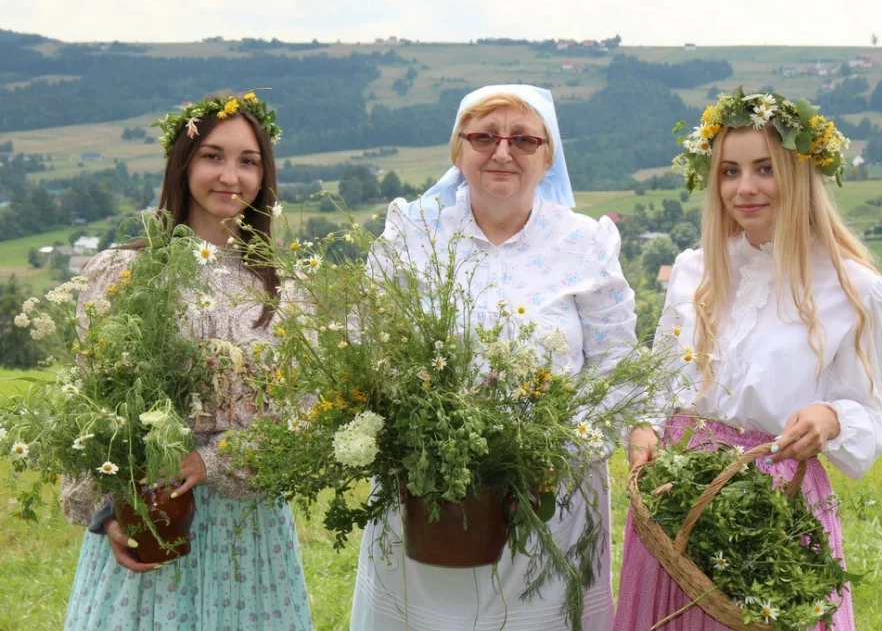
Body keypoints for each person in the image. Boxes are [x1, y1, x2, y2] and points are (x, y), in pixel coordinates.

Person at [349, 84, 637, 630]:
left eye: (524, 140)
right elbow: (367, 344)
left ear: (547, 157)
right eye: (483, 137)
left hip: (551, 503)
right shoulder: (412, 232)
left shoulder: (585, 242)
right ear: (457, 151)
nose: (502, 152)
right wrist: (423, 439)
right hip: (429, 494)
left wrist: (551, 450)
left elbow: (617, 365)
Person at [614, 91, 882, 630]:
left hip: (773, 501)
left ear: (800, 172)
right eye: (729, 170)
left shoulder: (854, 290)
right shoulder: (694, 270)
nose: (745, 187)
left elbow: (865, 418)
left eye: (765, 168)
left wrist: (829, 419)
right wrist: (646, 430)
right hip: (676, 496)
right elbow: (660, 379)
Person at [60, 92, 312, 630]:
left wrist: (210, 461)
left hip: (250, 535)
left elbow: (303, 413)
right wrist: (109, 515)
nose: (231, 176)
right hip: (149, 518)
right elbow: (89, 404)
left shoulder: (287, 291)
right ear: (183, 165)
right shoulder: (119, 273)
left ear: (264, 175)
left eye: (248, 161)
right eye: (213, 156)